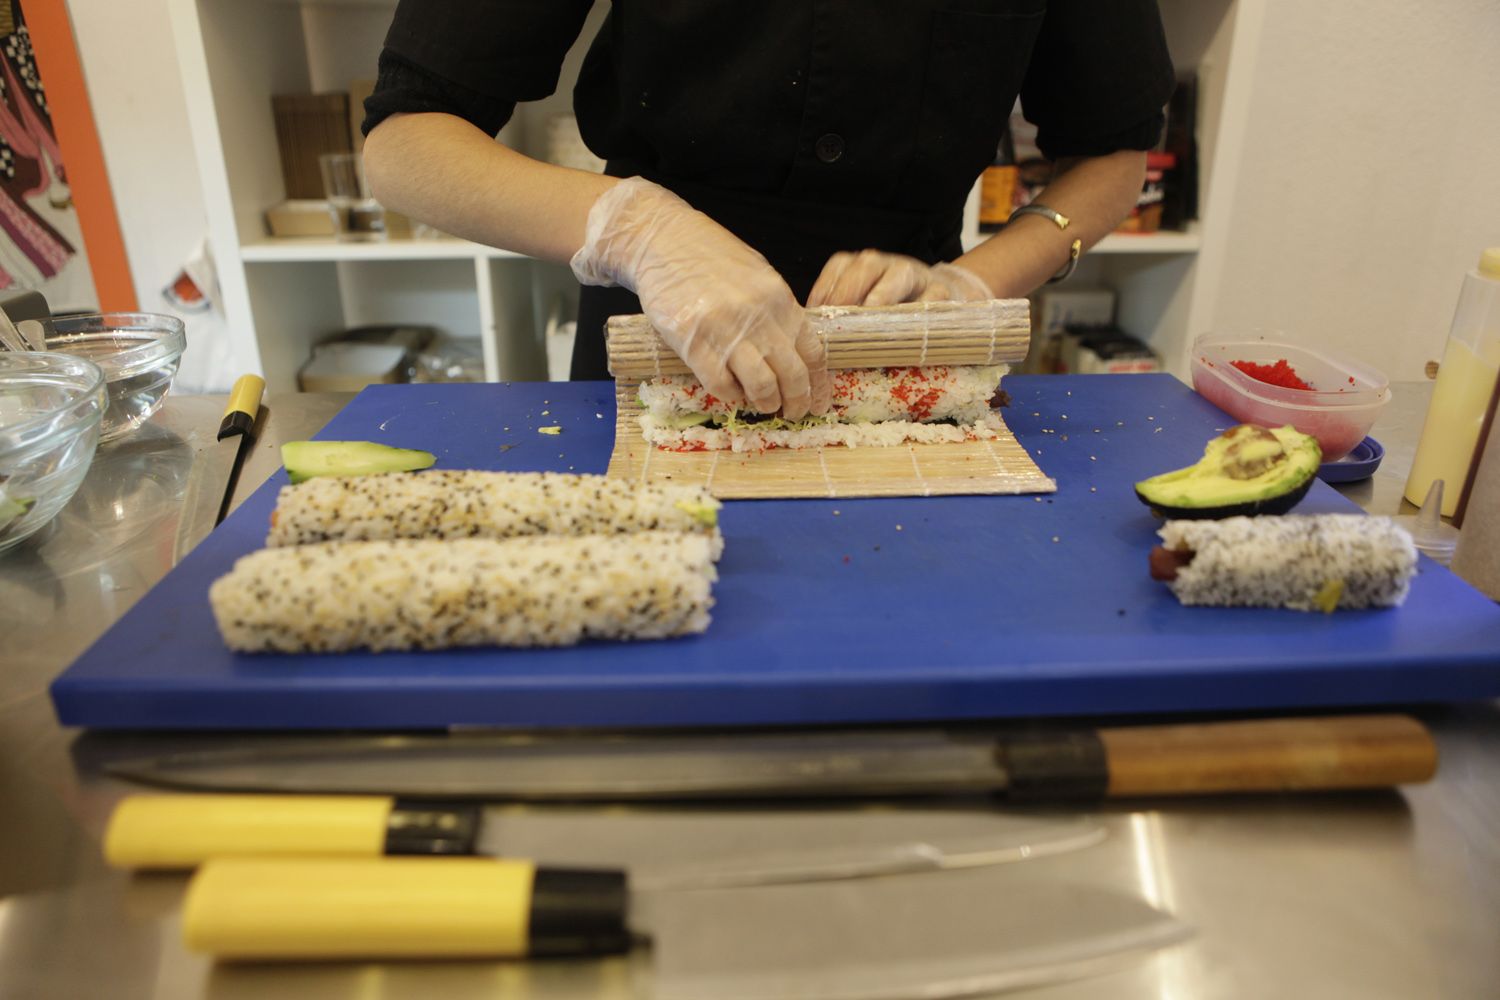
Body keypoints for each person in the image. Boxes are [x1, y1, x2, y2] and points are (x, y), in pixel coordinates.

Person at [362, 1, 1174, 420]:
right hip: (657, 332)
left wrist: (972, 284)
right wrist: (643, 231)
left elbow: (1113, 153)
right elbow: (404, 145)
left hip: (908, 334)